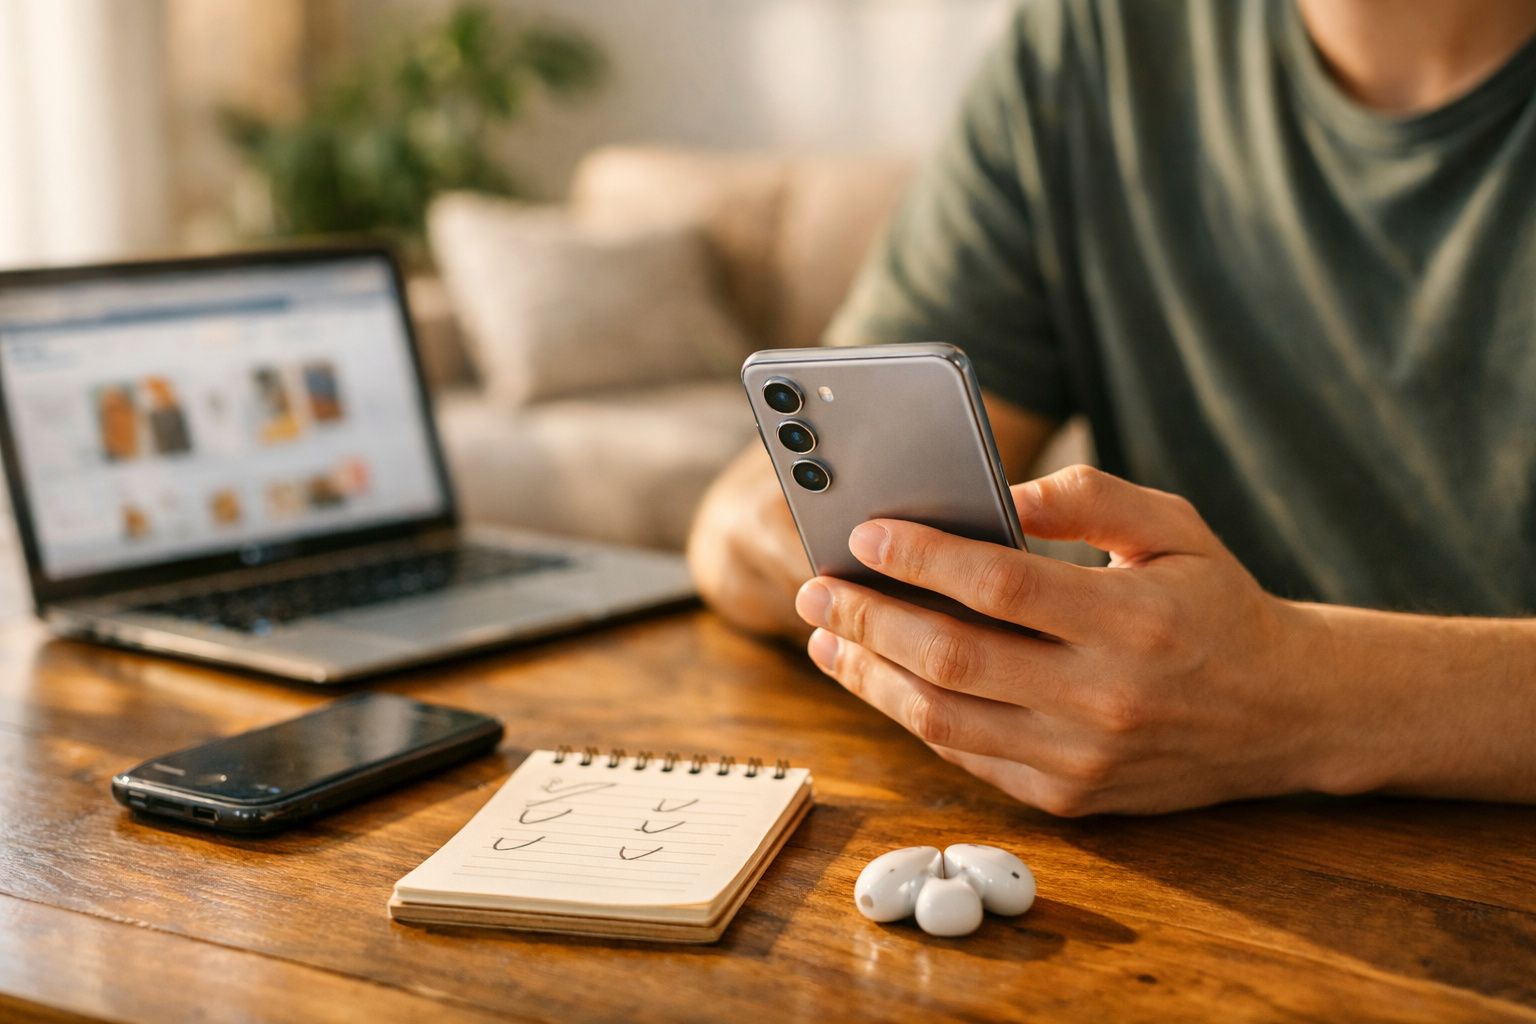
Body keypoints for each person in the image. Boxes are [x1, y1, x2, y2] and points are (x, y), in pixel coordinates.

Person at [686, 0, 1536, 815]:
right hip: (1167, 858)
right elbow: (742, 517)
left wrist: (1305, 696)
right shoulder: (1093, 45)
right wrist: (870, 573)